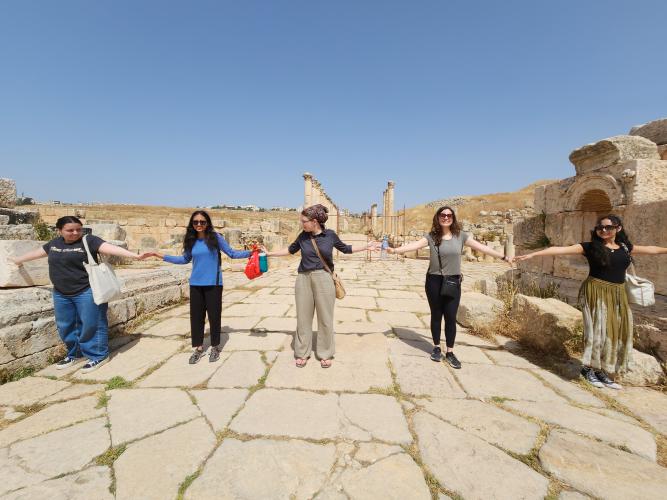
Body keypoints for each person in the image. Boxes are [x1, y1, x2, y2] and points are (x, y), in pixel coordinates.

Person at [515, 214, 667, 389]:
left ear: (618, 228)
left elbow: (651, 249)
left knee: (613, 332)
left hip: (618, 294)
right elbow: (559, 249)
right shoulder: (590, 247)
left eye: (608, 227)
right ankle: (587, 369)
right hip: (595, 291)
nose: (603, 230)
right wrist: (533, 254)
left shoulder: (625, 247)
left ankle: (601, 370)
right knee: (596, 331)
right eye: (600, 227)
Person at [7, 216, 150, 373]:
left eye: (78, 229)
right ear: (59, 231)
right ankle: (75, 354)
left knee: (92, 324)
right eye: (70, 230)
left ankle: (98, 355)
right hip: (61, 293)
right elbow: (37, 253)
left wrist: (135, 256)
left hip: (87, 290)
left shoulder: (89, 241)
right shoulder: (54, 244)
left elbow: (109, 248)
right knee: (65, 325)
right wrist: (17, 260)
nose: (75, 233)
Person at [387, 206, 512, 368]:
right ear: (437, 217)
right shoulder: (431, 237)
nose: (446, 217)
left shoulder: (461, 236)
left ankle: (450, 352)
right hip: (433, 281)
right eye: (442, 215)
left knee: (451, 317)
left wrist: (503, 256)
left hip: (452, 281)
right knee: (436, 315)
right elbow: (414, 246)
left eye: (449, 215)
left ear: (453, 218)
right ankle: (437, 347)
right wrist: (394, 250)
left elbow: (482, 248)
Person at [267, 204, 379, 368]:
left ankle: (325, 352)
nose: (302, 224)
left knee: (325, 318)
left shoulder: (330, 235)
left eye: (304, 221)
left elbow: (346, 249)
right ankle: (302, 352)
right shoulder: (303, 236)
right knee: (303, 318)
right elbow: (290, 250)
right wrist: (269, 253)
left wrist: (366, 246)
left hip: (324, 278)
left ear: (314, 222)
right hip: (303, 279)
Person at [149, 210, 251, 364]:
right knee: (196, 318)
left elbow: (232, 253)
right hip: (196, 284)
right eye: (195, 222)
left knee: (214, 317)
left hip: (214, 284)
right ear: (192, 223)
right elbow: (184, 259)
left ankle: (215, 347)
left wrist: (253, 252)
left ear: (207, 223)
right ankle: (198, 348)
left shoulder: (216, 238)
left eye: (202, 222)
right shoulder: (191, 240)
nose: (199, 225)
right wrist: (161, 256)